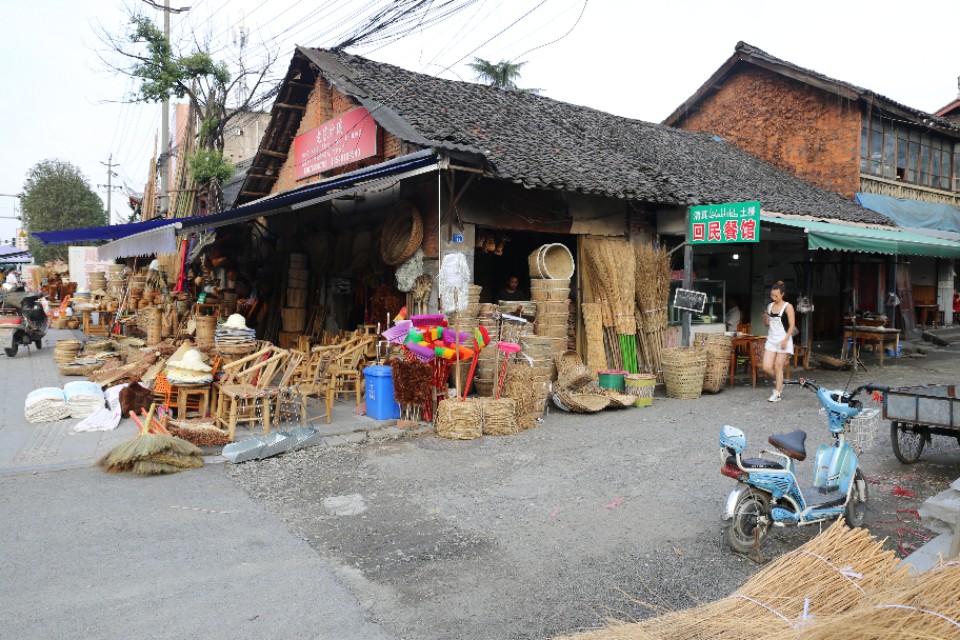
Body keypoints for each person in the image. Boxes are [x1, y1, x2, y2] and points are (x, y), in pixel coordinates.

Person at [762, 281, 795, 403]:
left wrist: (786, 339)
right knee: (766, 367)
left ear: (782, 294)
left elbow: (792, 325)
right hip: (771, 339)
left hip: (784, 339)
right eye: (772, 295)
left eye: (776, 295)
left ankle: (777, 393)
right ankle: (780, 382)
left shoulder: (788, 306)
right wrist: (765, 318)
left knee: (778, 366)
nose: (774, 298)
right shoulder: (770, 306)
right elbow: (767, 324)